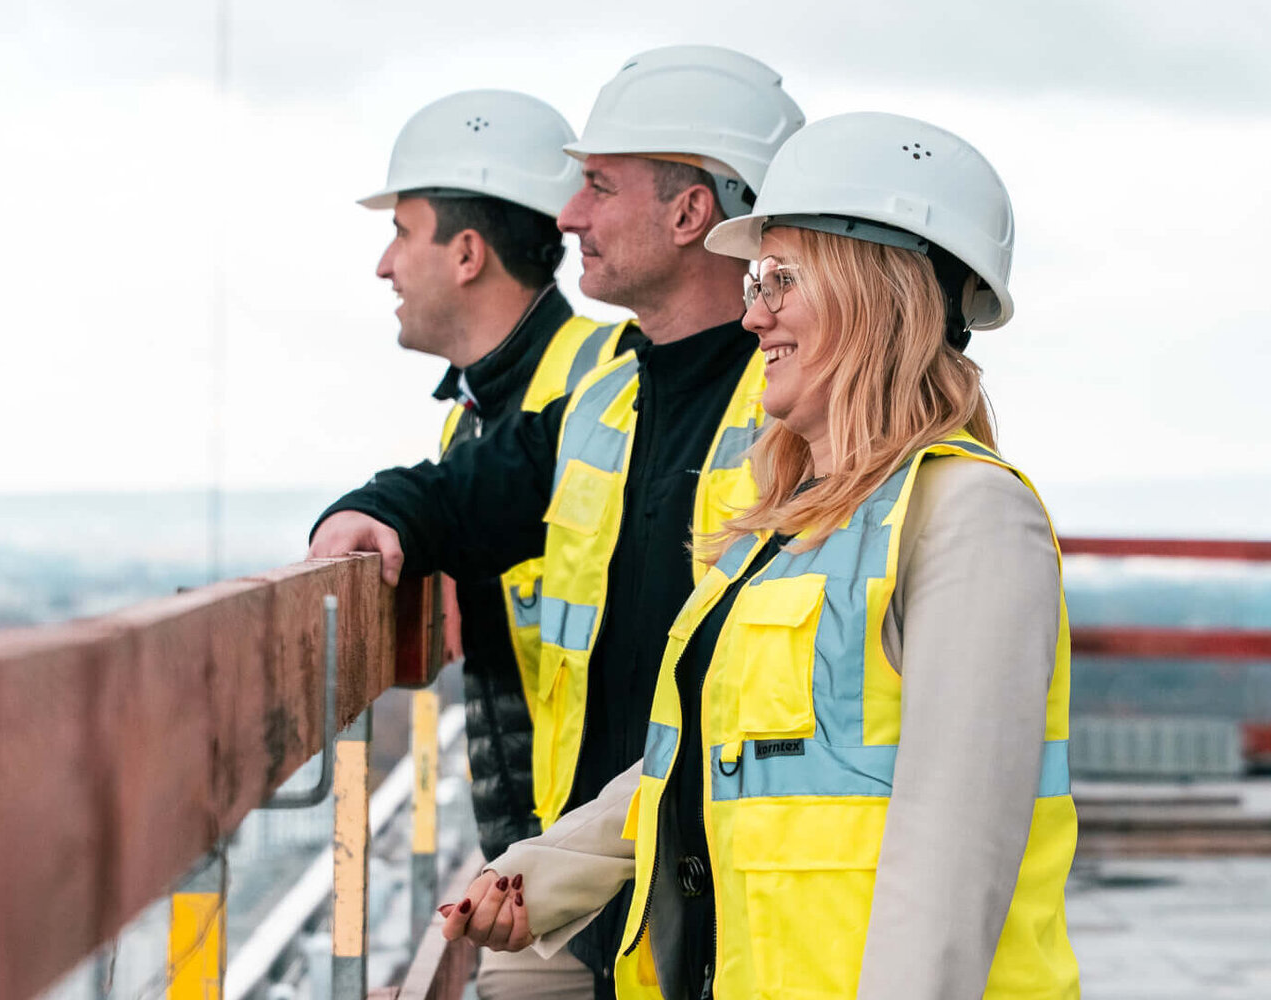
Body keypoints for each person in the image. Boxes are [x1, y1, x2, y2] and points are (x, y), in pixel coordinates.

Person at [437, 112, 1082, 1000]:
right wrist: (541, 875)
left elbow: (951, 861)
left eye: (780, 279)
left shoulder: (968, 517)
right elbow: (698, 761)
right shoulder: (791, 524)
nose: (753, 314)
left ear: (874, 294)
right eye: (754, 280)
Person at [308, 46, 804, 998]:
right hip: (597, 886)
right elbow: (470, 490)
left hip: (712, 896)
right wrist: (371, 511)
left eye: (598, 188)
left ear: (691, 212)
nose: (569, 214)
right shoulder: (607, 400)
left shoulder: (789, 414)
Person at [335, 87, 631, 873]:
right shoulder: (470, 417)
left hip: (600, 853)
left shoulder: (614, 385)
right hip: (539, 855)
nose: (383, 265)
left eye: (402, 234)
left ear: (468, 254)